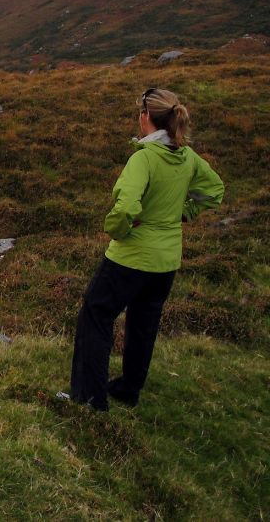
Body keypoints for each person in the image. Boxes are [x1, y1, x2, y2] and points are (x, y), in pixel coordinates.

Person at [68, 87, 224, 411]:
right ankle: (128, 390)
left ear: (145, 118)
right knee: (144, 323)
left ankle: (89, 398)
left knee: (96, 315)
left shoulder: (144, 159)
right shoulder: (187, 157)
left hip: (130, 257)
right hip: (166, 262)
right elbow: (214, 190)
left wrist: (118, 230)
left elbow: (126, 208)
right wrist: (184, 213)